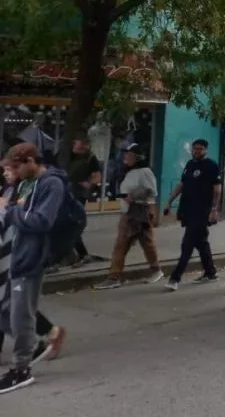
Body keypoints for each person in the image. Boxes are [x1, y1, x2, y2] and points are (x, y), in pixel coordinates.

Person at [0, 144, 65, 393]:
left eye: (16, 167)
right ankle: (26, 358)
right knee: (14, 315)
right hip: (16, 256)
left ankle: (21, 370)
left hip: (31, 258)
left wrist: (10, 209)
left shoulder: (52, 184)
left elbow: (41, 221)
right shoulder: (25, 183)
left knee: (21, 318)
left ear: (31, 161)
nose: (13, 172)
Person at [94, 145, 162, 289]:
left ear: (138, 157)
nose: (126, 157)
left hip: (137, 211)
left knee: (122, 243)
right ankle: (156, 270)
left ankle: (114, 276)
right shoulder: (131, 171)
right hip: (130, 211)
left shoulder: (145, 171)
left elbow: (151, 190)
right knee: (146, 243)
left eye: (129, 155)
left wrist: (133, 196)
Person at [163, 139, 221, 290]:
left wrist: (214, 209)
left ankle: (175, 278)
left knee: (187, 244)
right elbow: (182, 184)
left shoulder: (211, 166)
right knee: (201, 242)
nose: (196, 151)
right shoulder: (190, 165)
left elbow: (216, 189)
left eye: (200, 149)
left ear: (206, 150)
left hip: (202, 211)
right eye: (195, 149)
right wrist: (169, 201)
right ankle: (210, 272)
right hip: (188, 209)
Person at [66, 135, 101, 265]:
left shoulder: (90, 158)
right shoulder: (66, 155)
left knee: (73, 224)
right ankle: (73, 255)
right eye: (80, 142)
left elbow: (97, 176)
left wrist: (88, 184)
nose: (82, 146)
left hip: (77, 194)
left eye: (85, 143)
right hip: (64, 192)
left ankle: (82, 254)